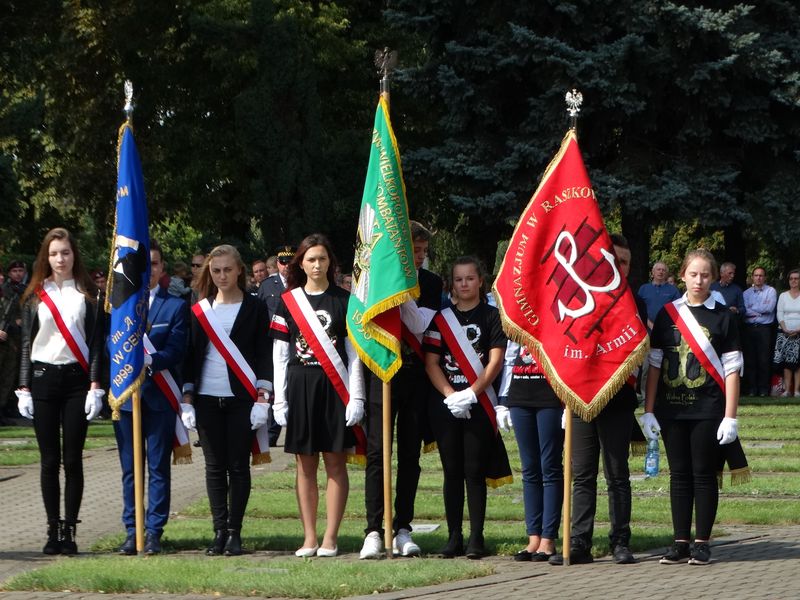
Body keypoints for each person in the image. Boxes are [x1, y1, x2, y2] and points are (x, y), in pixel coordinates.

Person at [641, 248, 742, 566]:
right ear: (682, 275)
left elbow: (732, 369)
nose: (699, 280)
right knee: (679, 476)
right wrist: (648, 409)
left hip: (707, 409)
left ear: (713, 278)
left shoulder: (724, 316)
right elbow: (655, 366)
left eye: (705, 275)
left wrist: (730, 416)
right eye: (693, 274)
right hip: (672, 410)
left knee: (703, 475)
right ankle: (680, 541)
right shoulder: (668, 314)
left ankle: (702, 542)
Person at [270, 233, 365, 558]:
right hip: (300, 388)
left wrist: (357, 397)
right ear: (301, 263)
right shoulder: (288, 301)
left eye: (322, 258)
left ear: (330, 263)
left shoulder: (344, 300)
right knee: (305, 466)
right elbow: (280, 355)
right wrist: (279, 401)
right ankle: (309, 537)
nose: (317, 264)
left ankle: (330, 538)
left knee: (335, 464)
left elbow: (353, 355)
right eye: (310, 259)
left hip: (334, 388)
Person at [549, 233, 640, 566]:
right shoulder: (579, 298)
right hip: (581, 399)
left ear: (629, 267)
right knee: (582, 473)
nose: (617, 265)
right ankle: (579, 542)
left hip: (617, 399)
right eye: (611, 258)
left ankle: (620, 541)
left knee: (617, 473)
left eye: (624, 261)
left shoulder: (635, 302)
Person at [16, 228, 105, 554]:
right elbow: (26, 345)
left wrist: (96, 385)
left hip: (76, 381)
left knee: (73, 459)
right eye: (54, 253)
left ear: (73, 255)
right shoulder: (35, 296)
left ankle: (70, 528)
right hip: (42, 380)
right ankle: (52, 529)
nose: (60, 259)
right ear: (46, 257)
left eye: (65, 252)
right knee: (49, 460)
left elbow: (96, 345)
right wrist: (23, 386)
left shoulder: (88, 294)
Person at [359, 221, 443, 559]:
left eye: (423, 251)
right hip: (382, 372)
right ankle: (374, 529)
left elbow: (422, 324)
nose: (420, 257)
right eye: (414, 251)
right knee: (379, 453)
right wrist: (389, 282)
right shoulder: (375, 281)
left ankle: (403, 526)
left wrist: (401, 289)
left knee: (409, 454)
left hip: (415, 375)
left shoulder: (431, 283)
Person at [182, 244, 272, 556]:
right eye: (216, 270)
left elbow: (264, 353)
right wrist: (187, 398)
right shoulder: (199, 308)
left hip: (242, 399)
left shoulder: (255, 306)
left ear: (239, 271)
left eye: (227, 270)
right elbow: (191, 355)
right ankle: (218, 531)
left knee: (238, 466)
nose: (221, 276)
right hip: (207, 397)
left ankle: (235, 532)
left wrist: (263, 398)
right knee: (214, 467)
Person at [423, 256, 510, 559]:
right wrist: (450, 395)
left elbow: (496, 360)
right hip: (446, 405)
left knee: (474, 471)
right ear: (452, 284)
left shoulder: (492, 316)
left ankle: (476, 537)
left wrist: (472, 393)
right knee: (452, 472)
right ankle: (453, 537)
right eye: (458, 280)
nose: (464, 284)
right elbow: (431, 362)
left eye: (470, 279)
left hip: (479, 402)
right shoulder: (441, 319)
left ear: (480, 281)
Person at [115, 241, 188, 555]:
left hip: (159, 396)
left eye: (155, 264)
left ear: (162, 269)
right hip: (127, 399)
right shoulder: (120, 307)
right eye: (145, 265)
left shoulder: (175, 306)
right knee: (131, 470)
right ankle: (132, 531)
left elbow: (177, 350)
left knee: (158, 467)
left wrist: (150, 361)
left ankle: (154, 531)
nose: (149, 270)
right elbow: (109, 347)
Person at [498, 341, 563, 562]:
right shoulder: (520, 312)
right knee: (529, 468)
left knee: (550, 466)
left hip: (550, 396)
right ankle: (533, 536)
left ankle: (548, 538)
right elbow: (510, 357)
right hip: (520, 395)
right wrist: (503, 400)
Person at [259, 244, 295, 446]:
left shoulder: (302, 283)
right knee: (275, 386)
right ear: (277, 264)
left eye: (290, 261)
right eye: (283, 262)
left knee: (293, 385)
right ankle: (273, 433)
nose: (286, 266)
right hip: (272, 342)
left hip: (296, 343)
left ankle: (294, 426)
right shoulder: (268, 285)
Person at [743, 266, 777, 396]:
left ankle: (763, 389)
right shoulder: (746, 293)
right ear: (752, 277)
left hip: (765, 329)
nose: (758, 278)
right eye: (756, 275)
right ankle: (752, 389)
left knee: (764, 359)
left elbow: (769, 308)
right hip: (750, 329)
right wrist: (759, 311)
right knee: (750, 359)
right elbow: (745, 310)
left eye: (761, 275)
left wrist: (753, 310)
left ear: (765, 277)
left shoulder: (771, 291)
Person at [0, 263, 23, 423]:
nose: (1, 277)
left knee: (8, 376)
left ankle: (3, 409)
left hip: (9, 341)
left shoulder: (8, 294)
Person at [773, 269, 800, 397]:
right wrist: (784, 329)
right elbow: (779, 313)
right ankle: (787, 390)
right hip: (784, 333)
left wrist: (798, 330)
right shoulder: (783, 296)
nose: (793, 281)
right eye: (791, 278)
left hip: (799, 333)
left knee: (798, 362)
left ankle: (797, 391)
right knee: (787, 363)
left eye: (796, 278)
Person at [638, 261, 681, 330]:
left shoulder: (673, 290)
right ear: (653, 272)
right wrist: (650, 324)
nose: (661, 272)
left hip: (667, 329)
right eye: (658, 269)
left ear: (666, 274)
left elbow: (679, 309)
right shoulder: (643, 288)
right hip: (646, 328)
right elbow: (638, 310)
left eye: (663, 270)